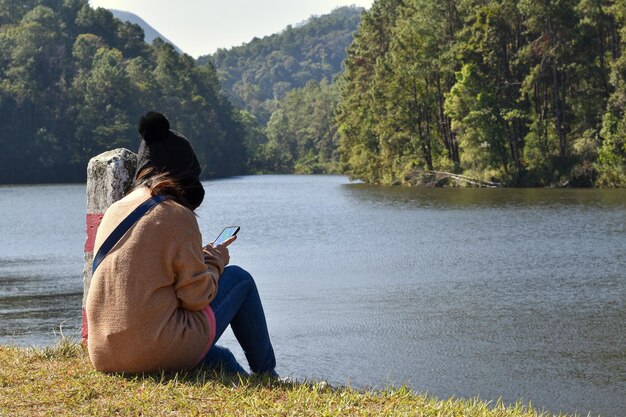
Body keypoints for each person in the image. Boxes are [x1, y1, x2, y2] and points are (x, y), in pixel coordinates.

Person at [86, 111, 276, 376]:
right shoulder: (176, 214)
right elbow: (197, 297)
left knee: (222, 359)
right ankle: (268, 373)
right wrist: (216, 259)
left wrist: (201, 258)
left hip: (105, 355)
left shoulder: (115, 211)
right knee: (240, 279)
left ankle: (252, 383)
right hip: (151, 352)